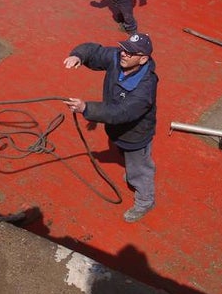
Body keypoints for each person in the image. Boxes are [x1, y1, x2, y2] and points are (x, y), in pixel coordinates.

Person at [63, 33, 158, 223]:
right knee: (129, 158)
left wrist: (86, 108)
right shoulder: (119, 58)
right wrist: (78, 55)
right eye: (123, 48)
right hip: (118, 131)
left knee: (139, 167)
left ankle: (145, 199)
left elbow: (120, 113)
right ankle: (136, 172)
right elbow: (95, 51)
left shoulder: (145, 87)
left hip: (135, 135)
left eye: (130, 53)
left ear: (143, 59)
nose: (124, 54)